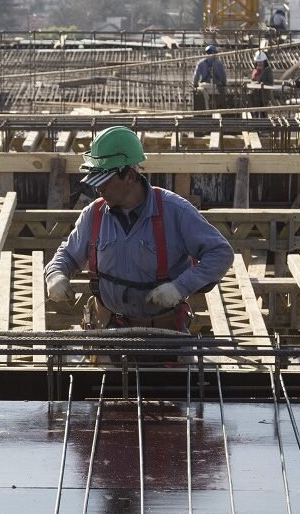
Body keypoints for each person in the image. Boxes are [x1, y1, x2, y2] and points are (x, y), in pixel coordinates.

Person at [44, 126, 233, 341]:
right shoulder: (93, 215)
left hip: (165, 337)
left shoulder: (175, 212)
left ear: (131, 176)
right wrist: (56, 275)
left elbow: (220, 253)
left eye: (103, 181)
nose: (98, 189)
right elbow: (68, 255)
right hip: (107, 332)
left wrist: (179, 288)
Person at [192, 44, 227, 110]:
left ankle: (206, 108)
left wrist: (195, 85)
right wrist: (224, 84)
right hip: (216, 87)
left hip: (205, 87)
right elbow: (223, 76)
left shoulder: (200, 63)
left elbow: (196, 77)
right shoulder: (219, 63)